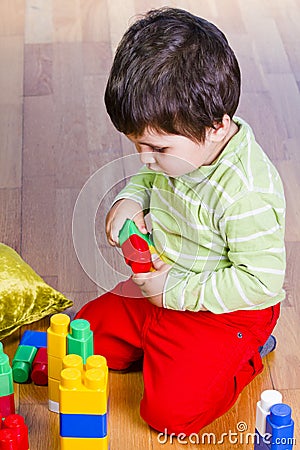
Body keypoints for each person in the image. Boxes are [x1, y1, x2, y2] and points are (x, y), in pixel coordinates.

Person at [75, 7, 286, 436]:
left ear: (215, 127)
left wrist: (177, 292)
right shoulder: (182, 149)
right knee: (83, 339)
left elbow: (260, 284)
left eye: (155, 148)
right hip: (163, 284)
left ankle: (247, 355)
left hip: (226, 311)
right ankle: (159, 345)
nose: (143, 158)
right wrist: (133, 197)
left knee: (169, 414)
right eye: (136, 145)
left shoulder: (246, 193)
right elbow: (153, 175)